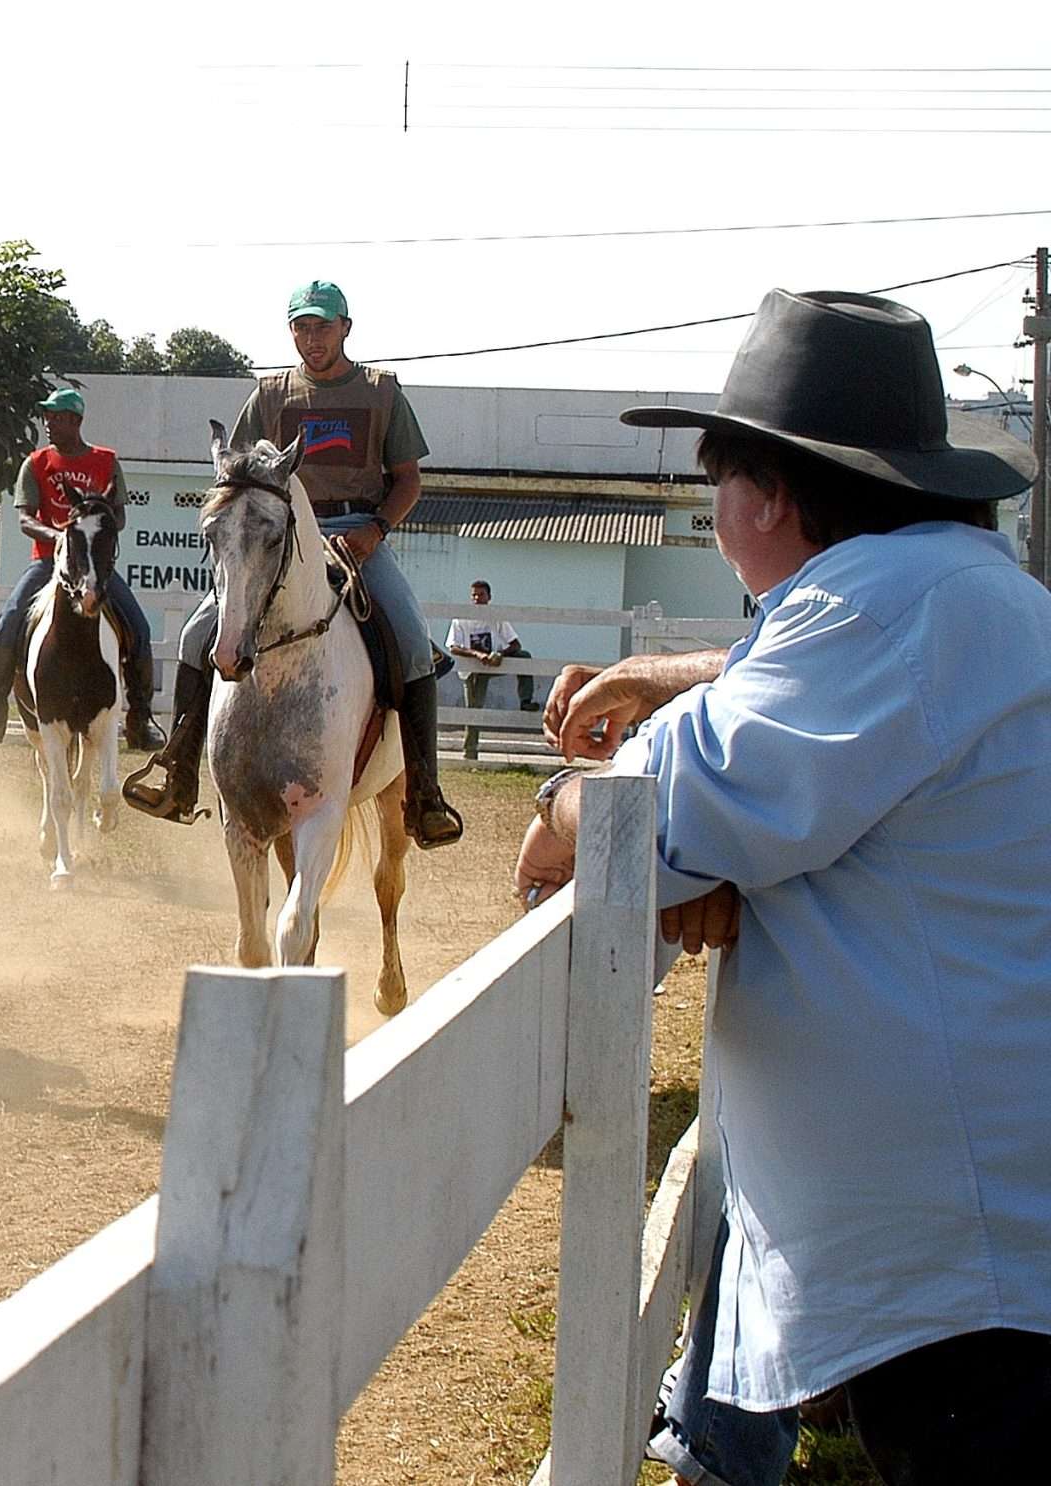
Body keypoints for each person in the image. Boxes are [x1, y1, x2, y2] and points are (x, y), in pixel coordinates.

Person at [512, 289, 1050, 1486]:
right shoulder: (950, 592)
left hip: (958, 1281)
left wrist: (558, 810)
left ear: (772, 495)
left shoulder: (876, 609)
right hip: (980, 1247)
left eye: (718, 482)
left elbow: (653, 816)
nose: (714, 514)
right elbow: (754, 729)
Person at [123, 279, 463, 848]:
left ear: (346, 329)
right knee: (194, 635)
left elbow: (408, 480)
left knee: (409, 637)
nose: (312, 339)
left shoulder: (381, 391)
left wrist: (376, 529)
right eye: (302, 327)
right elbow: (233, 476)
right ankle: (179, 771)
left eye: (323, 327)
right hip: (277, 540)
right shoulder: (270, 396)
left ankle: (424, 792)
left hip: (357, 534)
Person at [0, 387, 164, 752]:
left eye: (56, 417)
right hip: (48, 563)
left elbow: (119, 515)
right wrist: (60, 537)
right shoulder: (36, 463)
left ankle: (141, 717)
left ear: (75, 420)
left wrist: (96, 526)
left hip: (95, 567)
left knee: (138, 625)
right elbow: (25, 519)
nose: (48, 423)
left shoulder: (106, 462)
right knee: (9, 618)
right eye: (47, 416)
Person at [445, 579, 534, 761]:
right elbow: (453, 647)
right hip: (473, 668)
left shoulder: (495, 616)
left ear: (489, 597)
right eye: (474, 595)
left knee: (524, 657)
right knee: (474, 709)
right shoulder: (461, 618)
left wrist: (500, 654)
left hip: (493, 662)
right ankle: (470, 752)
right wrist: (477, 655)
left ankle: (526, 700)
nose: (477, 599)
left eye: (481, 595)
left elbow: (515, 644)